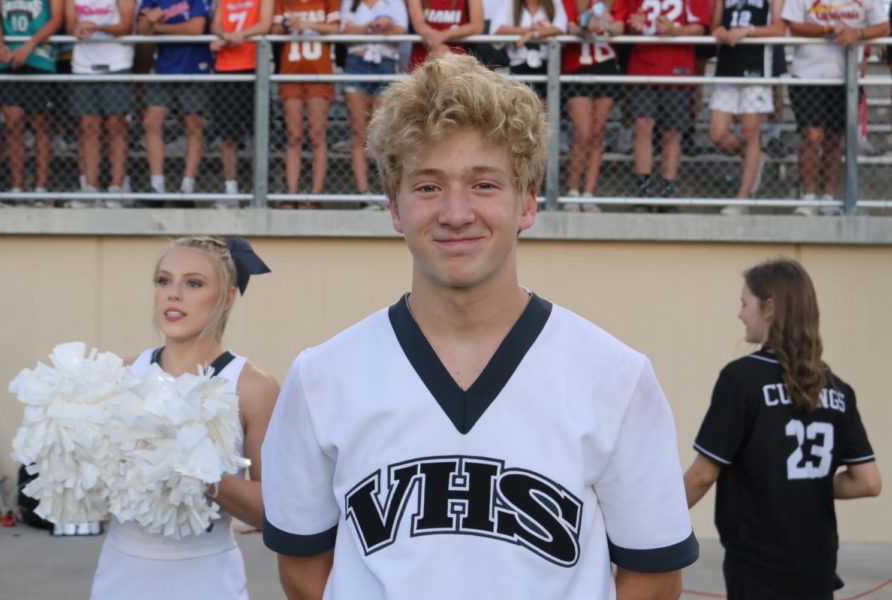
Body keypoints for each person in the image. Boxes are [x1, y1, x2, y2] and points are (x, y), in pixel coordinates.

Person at [261, 54, 698, 600]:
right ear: (394, 208)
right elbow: (304, 572)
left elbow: (653, 579)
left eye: (485, 184)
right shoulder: (320, 378)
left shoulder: (617, 377)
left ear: (528, 202)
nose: (456, 212)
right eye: (427, 187)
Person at [89, 236, 279, 599]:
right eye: (164, 281)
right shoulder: (119, 373)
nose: (173, 294)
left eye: (193, 283)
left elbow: (273, 512)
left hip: (206, 578)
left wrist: (201, 473)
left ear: (227, 297)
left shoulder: (252, 386)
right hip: (120, 576)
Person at [684, 258, 882, 599]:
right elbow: (868, 482)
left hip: (759, 569)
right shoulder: (837, 389)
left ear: (770, 308)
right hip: (817, 567)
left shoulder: (741, 379)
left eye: (745, 304)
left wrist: (651, 523)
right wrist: (806, 483)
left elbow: (703, 475)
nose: (740, 314)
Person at [782, 0, 888, 216]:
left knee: (833, 139)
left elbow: (884, 26)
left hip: (845, 77)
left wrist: (857, 33)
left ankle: (828, 198)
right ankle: (808, 197)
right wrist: (829, 29)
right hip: (807, 74)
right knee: (812, 135)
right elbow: (794, 25)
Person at [612, 0, 709, 211]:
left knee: (672, 132)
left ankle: (666, 190)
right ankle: (644, 189)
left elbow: (699, 27)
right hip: (643, 65)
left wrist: (675, 30)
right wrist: (634, 28)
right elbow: (626, 22)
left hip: (677, 67)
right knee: (642, 126)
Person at [708, 0, 786, 215]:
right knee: (717, 133)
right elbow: (714, 24)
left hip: (756, 67)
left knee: (750, 131)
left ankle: (742, 198)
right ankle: (754, 158)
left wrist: (748, 31)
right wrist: (719, 31)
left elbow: (780, 29)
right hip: (727, 66)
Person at [138, 0, 213, 200]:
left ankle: (187, 186)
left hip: (194, 65)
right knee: (151, 121)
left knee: (193, 125)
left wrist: (159, 27)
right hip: (165, 66)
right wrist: (149, 23)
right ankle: (157, 185)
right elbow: (143, 32)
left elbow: (196, 28)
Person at [65, 0, 134, 208]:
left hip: (117, 62)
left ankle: (117, 187)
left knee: (116, 125)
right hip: (83, 65)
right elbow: (69, 25)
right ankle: (90, 188)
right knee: (88, 126)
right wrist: (77, 29)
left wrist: (97, 28)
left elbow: (126, 25)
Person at [271, 0, 340, 208]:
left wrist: (307, 25)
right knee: (294, 135)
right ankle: (291, 194)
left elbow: (336, 29)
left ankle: (315, 195)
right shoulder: (282, 2)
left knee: (317, 134)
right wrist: (286, 25)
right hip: (291, 71)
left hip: (319, 73)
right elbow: (273, 29)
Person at [0, 0, 62, 206]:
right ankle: (17, 188)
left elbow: (57, 19)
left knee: (39, 121)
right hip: (8, 59)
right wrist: (1, 45)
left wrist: (30, 44)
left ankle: (41, 187)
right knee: (13, 120)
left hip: (40, 57)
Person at [340, 0, 407, 205]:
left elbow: (401, 32)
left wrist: (385, 26)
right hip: (355, 65)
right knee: (359, 133)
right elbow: (345, 35)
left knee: (383, 135)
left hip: (385, 65)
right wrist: (374, 26)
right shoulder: (349, 3)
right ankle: (363, 194)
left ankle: (384, 193)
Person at [210, 0, 274, 202]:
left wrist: (241, 35)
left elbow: (265, 24)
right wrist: (226, 36)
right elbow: (215, 25)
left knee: (259, 134)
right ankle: (231, 190)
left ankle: (261, 189)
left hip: (254, 69)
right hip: (225, 70)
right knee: (227, 134)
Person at [561, 0, 619, 211]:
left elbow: (620, 26)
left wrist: (607, 24)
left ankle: (589, 193)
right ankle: (573, 190)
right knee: (582, 133)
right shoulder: (569, 2)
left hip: (606, 66)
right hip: (577, 67)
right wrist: (583, 27)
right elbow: (568, 26)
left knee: (597, 133)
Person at [491, 0, 567, 100]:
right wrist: (528, 30)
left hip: (547, 67)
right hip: (519, 67)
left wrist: (533, 35)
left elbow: (560, 28)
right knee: (522, 108)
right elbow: (497, 30)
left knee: (545, 110)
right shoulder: (510, 3)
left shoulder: (554, 3)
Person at [405, 0, 483, 70]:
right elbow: (419, 24)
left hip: (456, 61)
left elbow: (477, 26)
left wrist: (441, 37)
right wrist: (437, 44)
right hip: (423, 61)